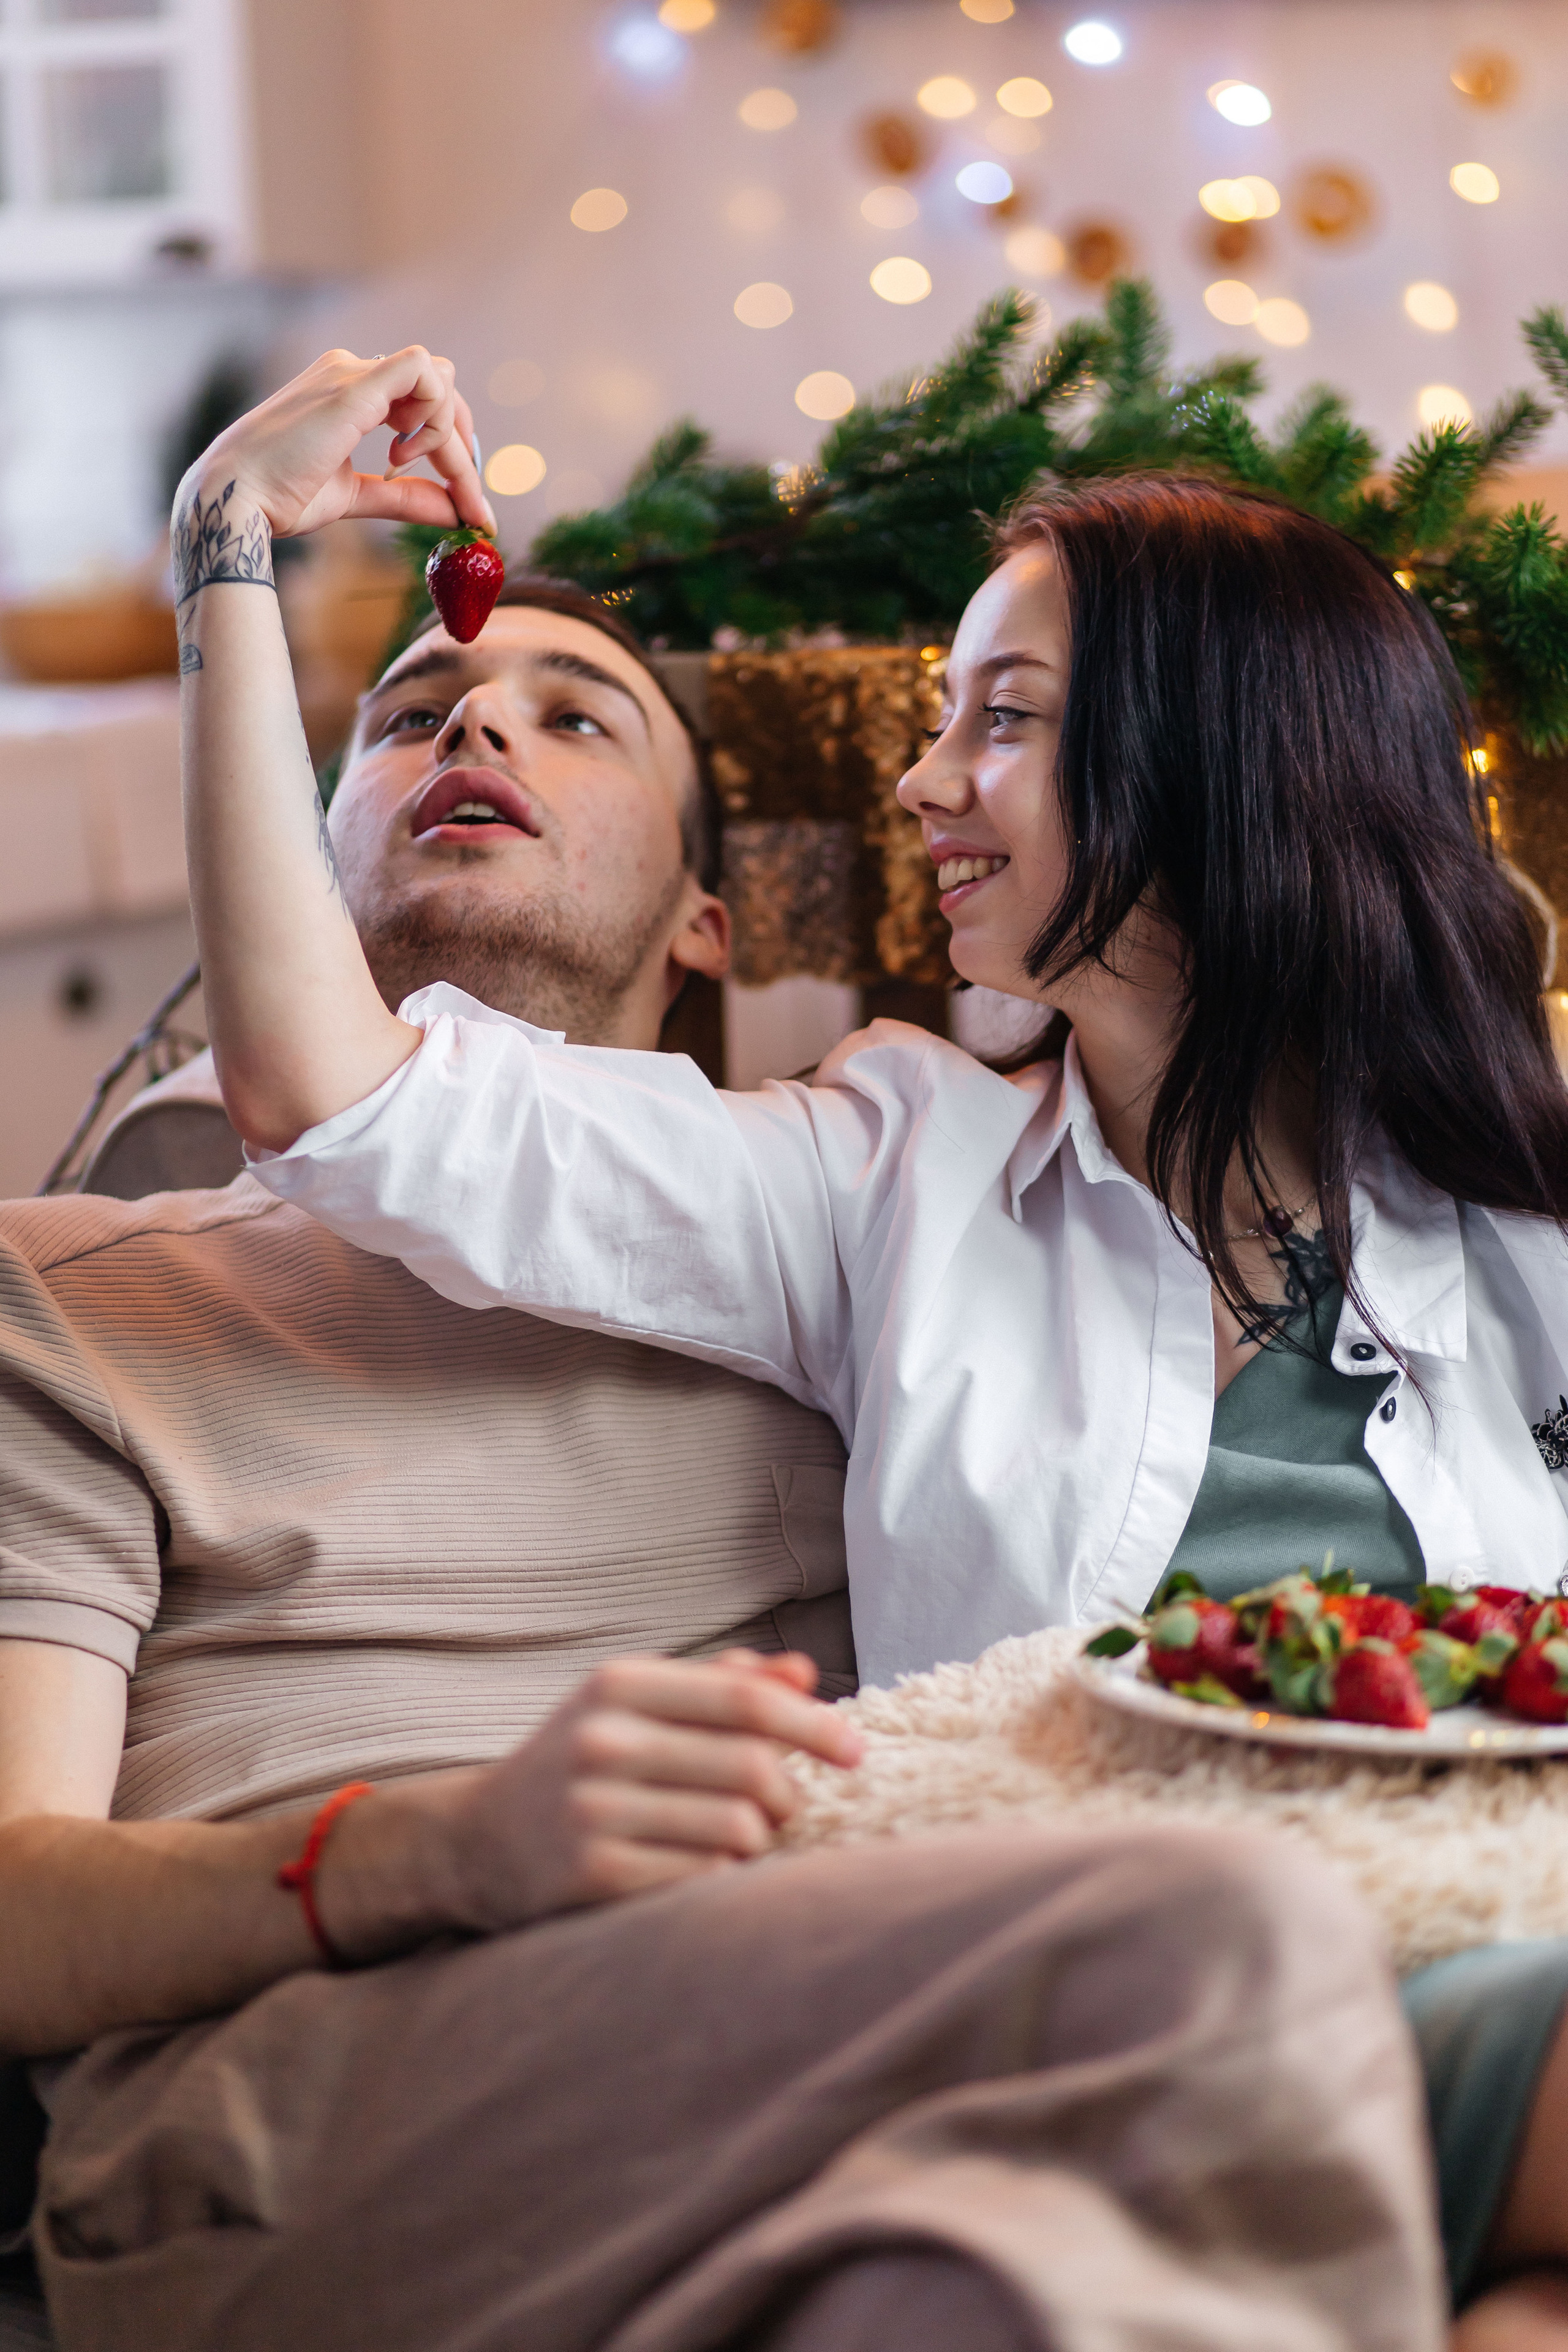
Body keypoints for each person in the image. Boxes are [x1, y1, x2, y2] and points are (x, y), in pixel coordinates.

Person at [176, 347, 1568, 2345]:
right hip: (1129, 2011)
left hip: (1488, 1933)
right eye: (940, 722)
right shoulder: (888, 1168)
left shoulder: (1512, 1213)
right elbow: (330, 1090)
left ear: (1227, 761)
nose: (922, 786)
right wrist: (224, 551)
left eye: (1000, 722)